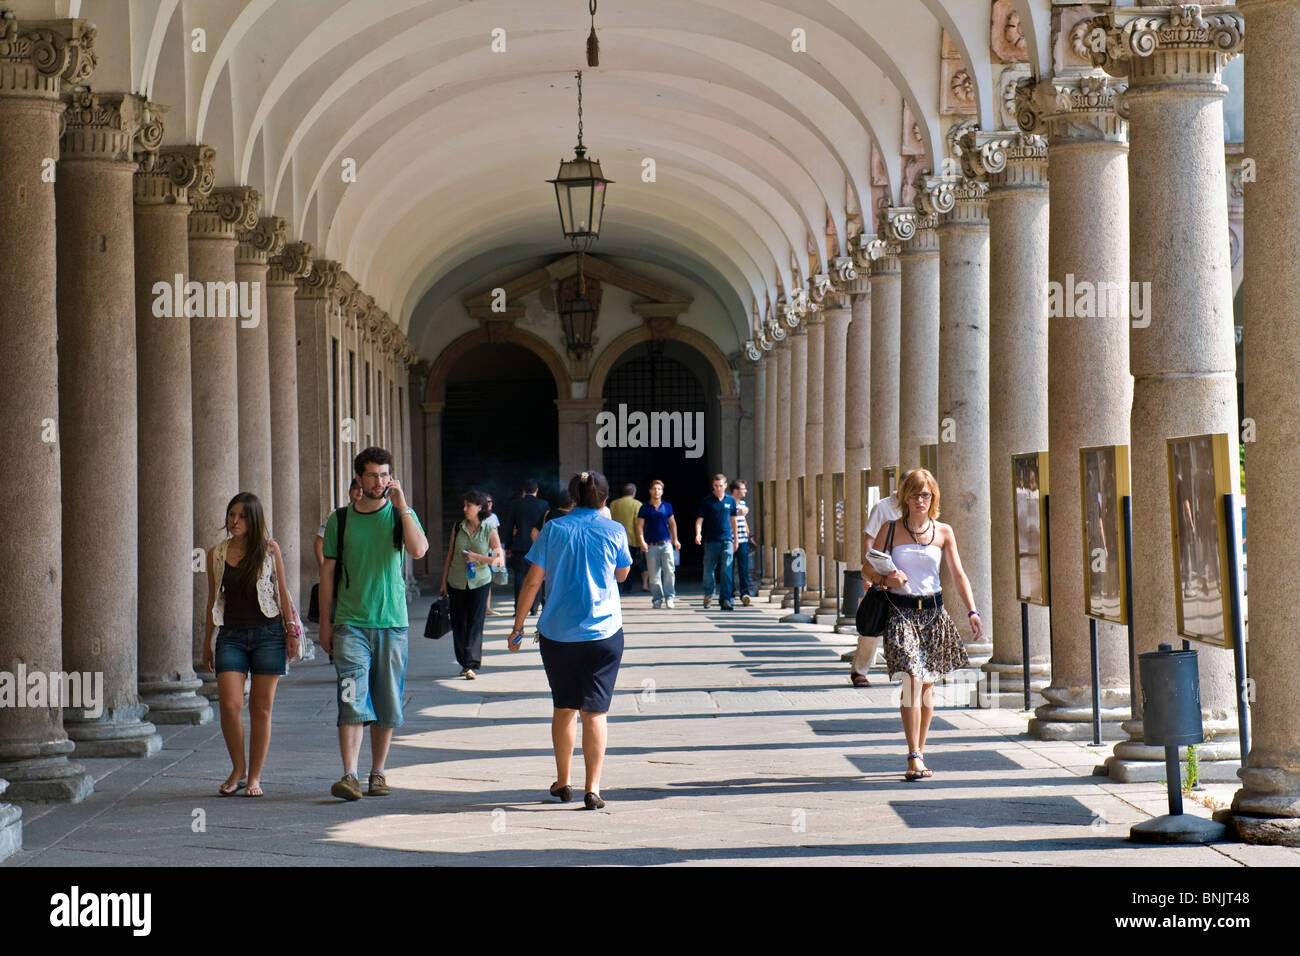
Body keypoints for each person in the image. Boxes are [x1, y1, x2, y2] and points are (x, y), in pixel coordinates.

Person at [509, 470, 631, 810]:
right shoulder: (614, 530)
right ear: (604, 499)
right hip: (604, 633)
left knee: (564, 707)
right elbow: (622, 574)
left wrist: (518, 627)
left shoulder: (554, 529)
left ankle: (564, 781)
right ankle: (593, 788)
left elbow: (532, 582)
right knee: (595, 711)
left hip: (558, 634)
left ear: (573, 497)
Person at [318, 447, 429, 801]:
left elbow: (419, 550)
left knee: (386, 701)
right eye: (372, 475)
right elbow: (328, 574)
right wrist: (325, 624)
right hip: (350, 623)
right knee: (351, 697)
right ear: (358, 479)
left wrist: (403, 506)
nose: (379, 482)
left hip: (392, 623)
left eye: (385, 475)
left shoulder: (400, 517)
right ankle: (349, 774)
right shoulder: (341, 520)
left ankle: (377, 772)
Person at [864, 469, 981, 781]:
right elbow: (866, 568)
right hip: (901, 614)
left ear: (934, 498)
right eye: (914, 494)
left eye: (925, 495)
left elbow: (958, 574)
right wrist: (886, 578)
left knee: (928, 685)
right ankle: (913, 754)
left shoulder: (943, 532)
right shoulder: (889, 530)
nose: (920, 500)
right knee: (912, 680)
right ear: (905, 497)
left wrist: (972, 610)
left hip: (933, 614)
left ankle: (920, 748)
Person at [202, 492, 300, 798]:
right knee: (230, 705)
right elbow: (213, 599)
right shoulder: (216, 553)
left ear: (254, 519)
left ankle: (255, 776)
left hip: (268, 634)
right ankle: (238, 769)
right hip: (230, 635)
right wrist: (207, 641)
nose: (235, 521)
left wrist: (292, 632)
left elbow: (282, 594)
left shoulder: (270, 550)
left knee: (261, 708)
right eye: (232, 515)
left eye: (242, 516)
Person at [851, 473, 909, 687]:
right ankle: (860, 671)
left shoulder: (916, 506)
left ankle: (910, 670)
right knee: (874, 623)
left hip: (907, 577)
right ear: (899, 487)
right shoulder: (883, 507)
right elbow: (869, 539)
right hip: (884, 573)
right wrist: (872, 573)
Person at [439, 489, 505, 679]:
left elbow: (499, 561)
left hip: (480, 582)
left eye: (469, 505)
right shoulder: (458, 527)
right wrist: (443, 581)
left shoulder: (489, 530)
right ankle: (463, 662)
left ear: (479, 507)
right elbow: (450, 554)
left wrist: (477, 557)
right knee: (458, 622)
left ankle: (471, 663)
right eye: (464, 505)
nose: (464, 508)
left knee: (475, 621)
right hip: (456, 580)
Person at [500, 479, 549, 614]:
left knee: (519, 579)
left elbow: (510, 526)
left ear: (523, 492)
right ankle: (534, 608)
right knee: (538, 576)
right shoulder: (543, 504)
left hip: (520, 546)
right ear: (536, 491)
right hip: (537, 546)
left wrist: (508, 546)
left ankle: (519, 608)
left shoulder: (516, 504)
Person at [695, 473, 739, 610]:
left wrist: (736, 540)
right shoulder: (707, 501)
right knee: (708, 570)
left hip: (727, 539)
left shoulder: (730, 500)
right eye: (715, 486)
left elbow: (733, 520)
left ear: (725, 486)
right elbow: (700, 519)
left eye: (720, 486)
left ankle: (725, 599)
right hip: (711, 540)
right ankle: (708, 594)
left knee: (727, 569)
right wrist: (698, 533)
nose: (718, 488)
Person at [637, 479, 679, 609]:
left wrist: (675, 539)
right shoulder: (644, 507)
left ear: (662, 491)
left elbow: (672, 523)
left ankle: (670, 597)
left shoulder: (667, 506)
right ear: (650, 491)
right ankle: (657, 598)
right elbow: (639, 526)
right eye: (654, 489)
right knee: (654, 575)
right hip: (651, 545)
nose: (657, 491)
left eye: (659, 489)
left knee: (670, 571)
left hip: (666, 543)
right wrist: (641, 541)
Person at [609, 483, 645, 593]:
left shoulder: (614, 503)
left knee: (616, 564)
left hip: (615, 538)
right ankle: (627, 587)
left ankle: (618, 587)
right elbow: (638, 524)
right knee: (630, 565)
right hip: (632, 540)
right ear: (634, 493)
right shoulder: (637, 504)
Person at [729, 479, 754, 605]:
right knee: (730, 568)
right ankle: (731, 594)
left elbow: (743, 520)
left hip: (743, 539)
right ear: (735, 491)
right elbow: (725, 519)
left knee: (744, 568)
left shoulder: (743, 503)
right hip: (730, 540)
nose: (746, 491)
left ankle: (745, 593)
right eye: (743, 488)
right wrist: (736, 513)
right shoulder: (728, 502)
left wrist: (749, 535)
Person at [483, 493, 504, 616]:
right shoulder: (477, 517)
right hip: (480, 552)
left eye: (491, 501)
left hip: (491, 554)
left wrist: (499, 550)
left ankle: (487, 607)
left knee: (488, 580)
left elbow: (496, 534)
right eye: (487, 502)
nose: (490, 504)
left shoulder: (493, 517)